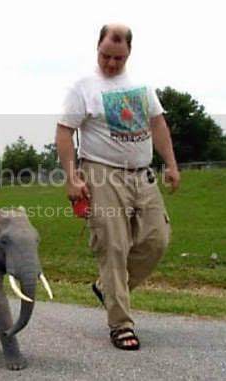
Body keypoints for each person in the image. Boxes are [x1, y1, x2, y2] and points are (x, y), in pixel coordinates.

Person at [56, 24, 180, 350]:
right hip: (101, 173)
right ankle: (121, 324)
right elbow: (65, 132)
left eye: (118, 58)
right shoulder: (83, 86)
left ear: (129, 53)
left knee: (157, 239)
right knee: (114, 245)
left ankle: (106, 288)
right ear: (97, 47)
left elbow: (157, 124)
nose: (111, 64)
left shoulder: (141, 85)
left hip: (142, 173)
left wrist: (171, 164)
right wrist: (72, 177)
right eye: (106, 56)